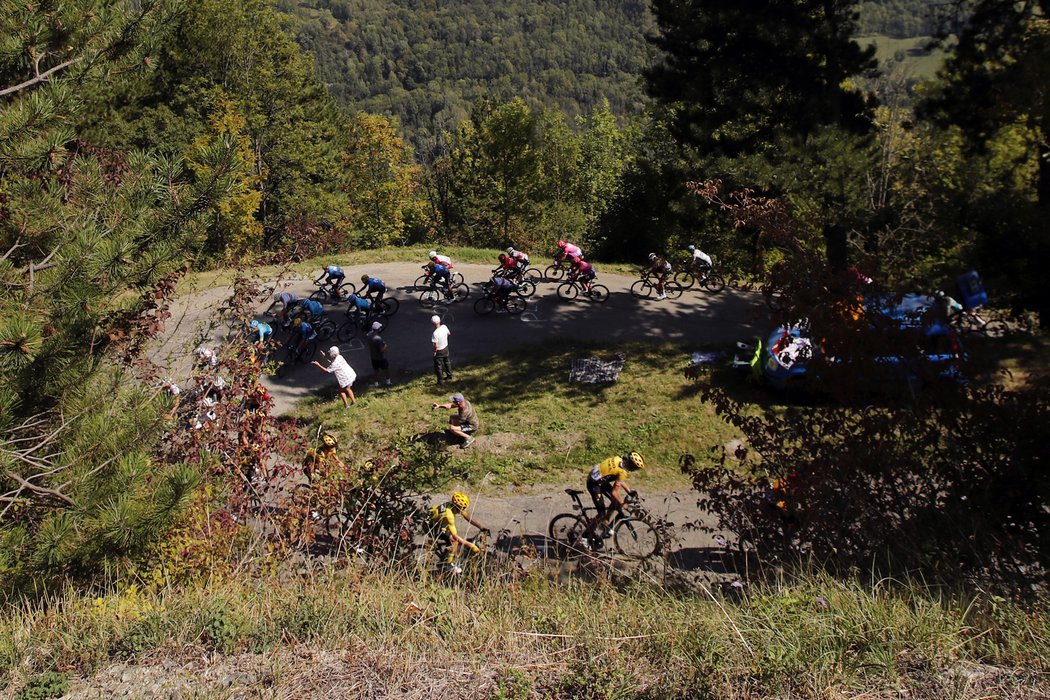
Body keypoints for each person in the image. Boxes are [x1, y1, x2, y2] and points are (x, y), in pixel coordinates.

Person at [585, 452, 645, 543]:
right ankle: (585, 536)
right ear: (632, 466)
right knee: (601, 514)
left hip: (599, 480)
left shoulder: (619, 459)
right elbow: (614, 493)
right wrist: (623, 504)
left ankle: (604, 523)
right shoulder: (622, 472)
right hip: (594, 484)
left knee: (615, 502)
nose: (635, 470)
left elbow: (619, 480)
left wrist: (629, 491)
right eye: (636, 468)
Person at [430, 491, 489, 571]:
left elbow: (467, 516)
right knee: (454, 541)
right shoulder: (449, 515)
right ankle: (448, 564)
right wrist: (471, 545)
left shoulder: (453, 505)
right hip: (432, 526)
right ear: (456, 506)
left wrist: (480, 527)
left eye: (464, 508)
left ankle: (448, 553)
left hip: (438, 521)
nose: (463, 510)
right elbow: (455, 536)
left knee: (452, 538)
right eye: (461, 508)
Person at [367, 321, 392, 387]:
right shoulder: (378, 339)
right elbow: (381, 350)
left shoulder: (369, 335)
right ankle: (388, 382)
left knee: (375, 370)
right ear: (378, 329)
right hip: (381, 357)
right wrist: (385, 346)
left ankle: (376, 383)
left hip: (373, 356)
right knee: (386, 369)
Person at [430, 314, 452, 385]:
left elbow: (435, 345)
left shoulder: (435, 333)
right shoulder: (444, 327)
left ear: (433, 323)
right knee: (447, 362)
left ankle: (440, 381)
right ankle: (449, 375)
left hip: (439, 350)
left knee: (438, 366)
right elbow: (449, 333)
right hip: (445, 347)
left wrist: (434, 352)